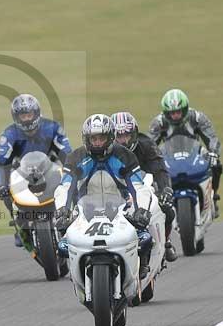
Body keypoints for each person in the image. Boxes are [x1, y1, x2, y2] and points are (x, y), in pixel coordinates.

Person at [55, 114, 154, 278]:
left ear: (111, 137)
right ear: (86, 139)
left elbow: (138, 187)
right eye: (93, 139)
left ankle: (142, 264)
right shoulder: (75, 158)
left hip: (122, 208)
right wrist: (62, 210)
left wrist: (141, 209)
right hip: (84, 210)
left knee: (144, 236)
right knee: (64, 241)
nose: (97, 143)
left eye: (102, 138)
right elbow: (64, 187)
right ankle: (76, 270)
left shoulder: (125, 156)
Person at [0, 94, 72, 247]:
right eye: (23, 116)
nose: (27, 119)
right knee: (6, 191)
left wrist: (72, 171)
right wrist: (2, 185)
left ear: (36, 113)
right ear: (16, 117)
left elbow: (67, 153)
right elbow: (1, 164)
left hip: (50, 167)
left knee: (70, 185)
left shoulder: (53, 128)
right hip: (22, 172)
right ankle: (20, 224)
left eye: (29, 114)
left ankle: (68, 217)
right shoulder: (8, 134)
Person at [112, 111, 177, 262]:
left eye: (126, 135)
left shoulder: (147, 144)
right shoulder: (107, 151)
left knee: (167, 209)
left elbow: (159, 168)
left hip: (146, 188)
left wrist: (165, 189)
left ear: (134, 134)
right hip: (116, 191)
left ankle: (166, 242)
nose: (124, 141)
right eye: (119, 136)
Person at [149, 88, 223, 217]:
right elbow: (149, 144)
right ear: (166, 112)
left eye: (178, 112)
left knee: (216, 165)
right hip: (170, 156)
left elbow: (212, 138)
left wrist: (214, 153)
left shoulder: (197, 118)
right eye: (171, 113)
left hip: (194, 154)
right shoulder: (159, 122)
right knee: (150, 175)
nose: (175, 115)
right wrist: (148, 160)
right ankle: (159, 204)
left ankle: (214, 196)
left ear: (185, 109)